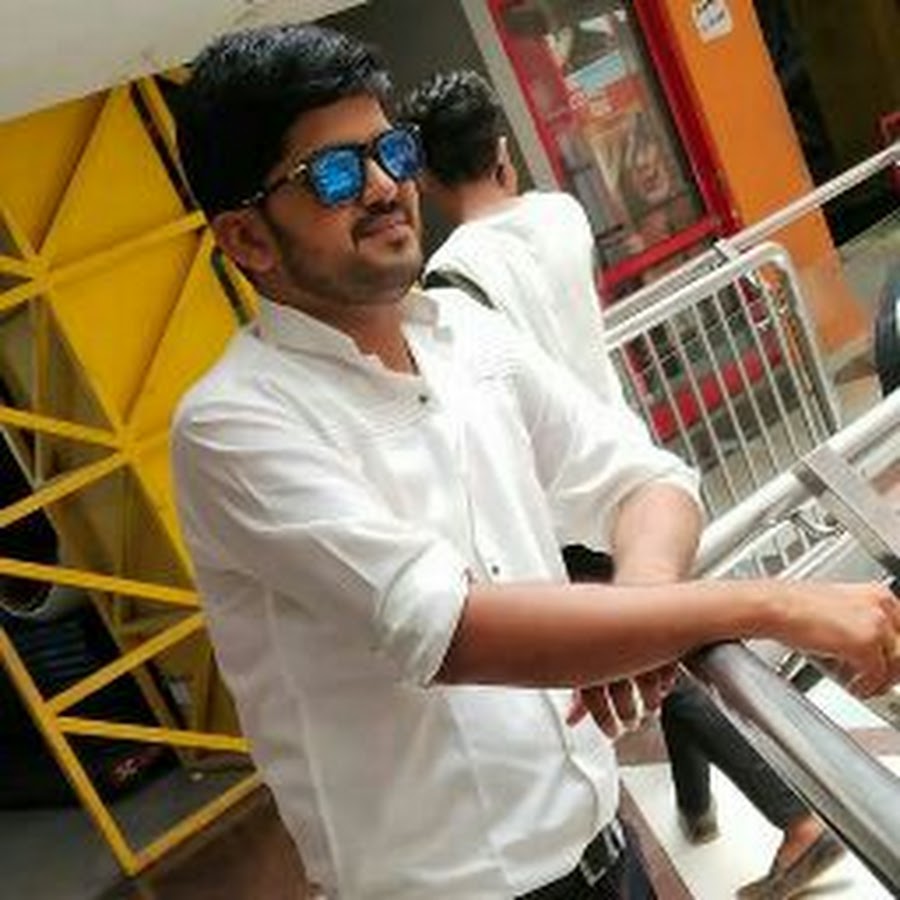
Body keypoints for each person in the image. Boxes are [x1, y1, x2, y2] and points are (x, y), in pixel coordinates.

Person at [170, 24, 900, 900]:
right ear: (248, 239)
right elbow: (451, 629)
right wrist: (777, 603)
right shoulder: (235, 425)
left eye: (390, 151)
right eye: (331, 173)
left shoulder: (464, 333)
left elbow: (645, 478)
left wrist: (642, 609)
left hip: (606, 850)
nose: (385, 186)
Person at [400, 68, 849, 898]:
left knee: (646, 664)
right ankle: (697, 806)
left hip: (557, 502)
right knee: (654, 647)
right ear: (502, 150)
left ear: (423, 177)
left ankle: (795, 817)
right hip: (626, 471)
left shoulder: (448, 281)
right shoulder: (561, 216)